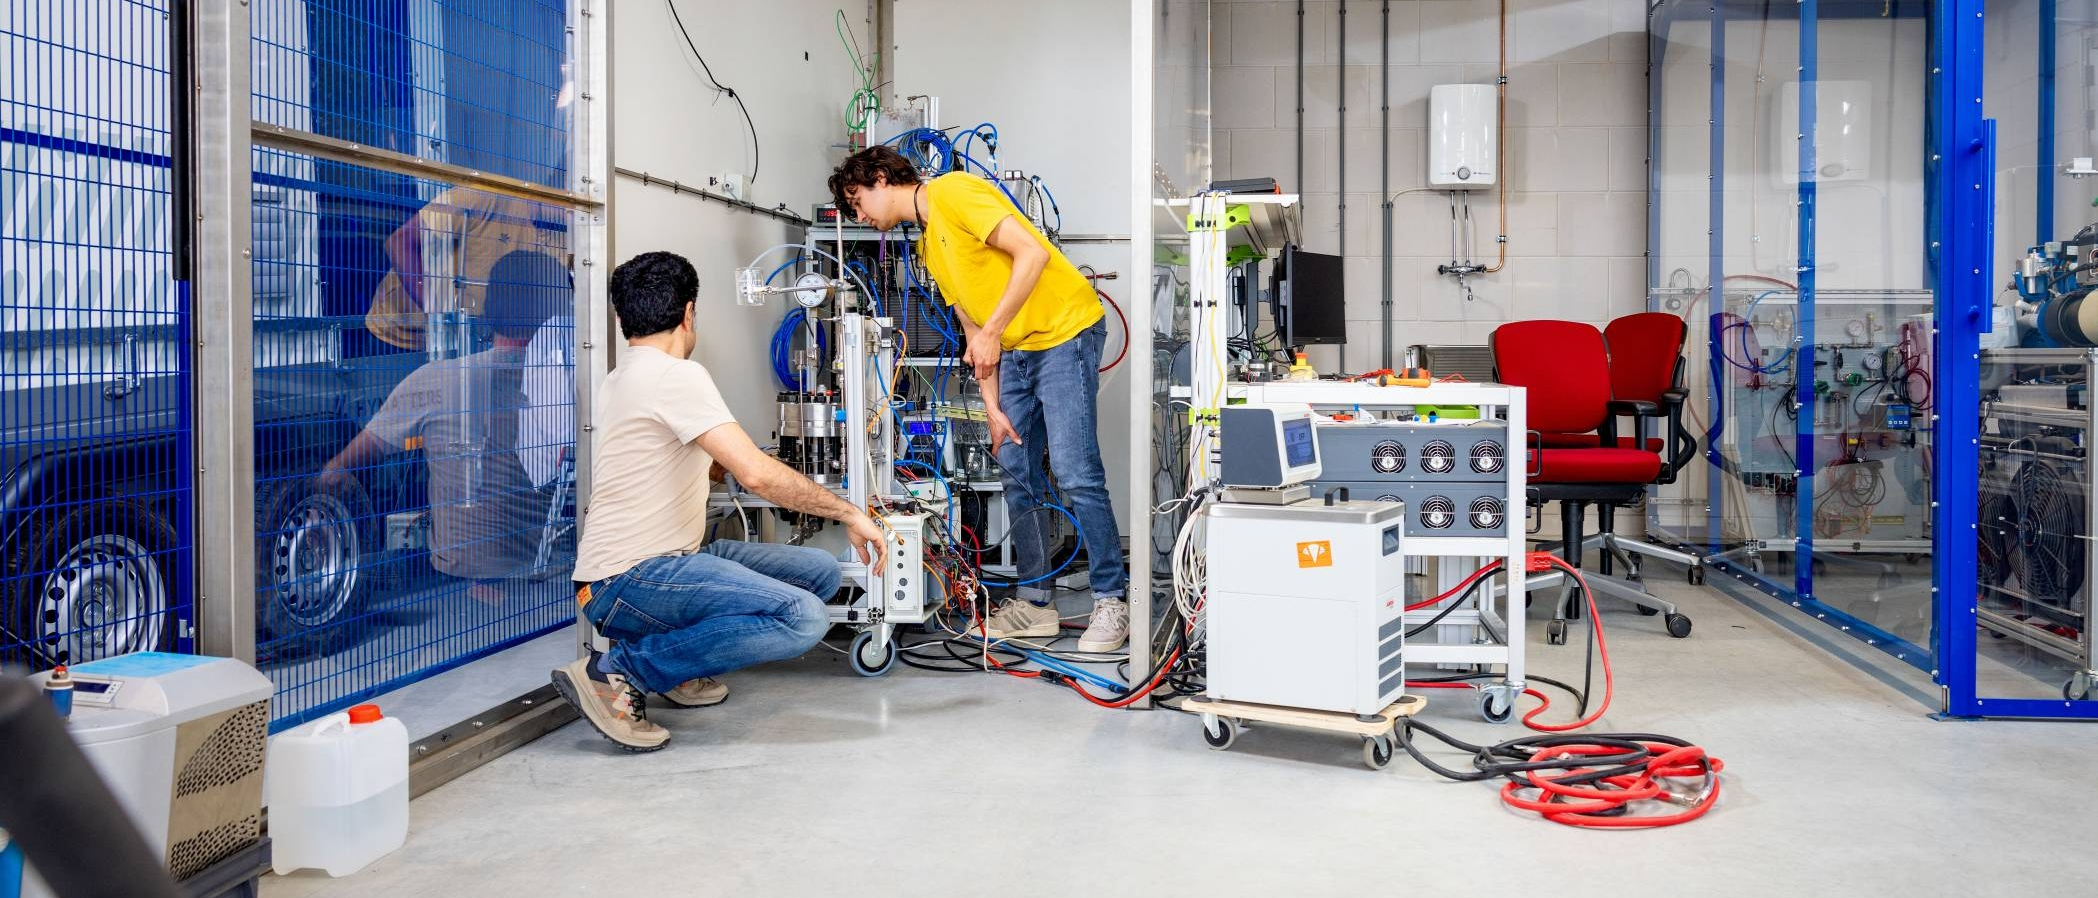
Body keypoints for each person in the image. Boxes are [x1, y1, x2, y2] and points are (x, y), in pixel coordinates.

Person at [552, 251, 885, 752]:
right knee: (803, 617)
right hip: (632, 578)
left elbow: (676, 458)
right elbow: (753, 472)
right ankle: (620, 671)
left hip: (643, 567)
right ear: (689, 313)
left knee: (820, 572)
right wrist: (848, 512)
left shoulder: (622, 377)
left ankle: (678, 666)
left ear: (624, 319)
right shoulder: (677, 376)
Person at [828, 146, 1127, 653]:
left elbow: (1031, 254)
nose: (860, 217)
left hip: (1064, 332)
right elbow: (973, 333)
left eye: (858, 202)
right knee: (1013, 465)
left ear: (881, 179)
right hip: (1014, 348)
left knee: (1076, 470)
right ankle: (1036, 603)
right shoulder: (928, 249)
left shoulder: (954, 192)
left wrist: (992, 332)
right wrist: (991, 407)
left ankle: (1111, 600)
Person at [321, 249, 574, 599]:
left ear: (490, 310)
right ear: (555, 316)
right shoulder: (568, 387)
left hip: (451, 567)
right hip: (537, 571)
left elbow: (338, 469)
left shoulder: (433, 378)